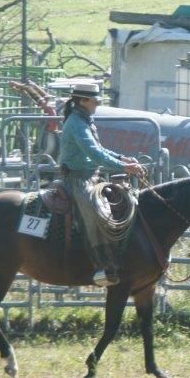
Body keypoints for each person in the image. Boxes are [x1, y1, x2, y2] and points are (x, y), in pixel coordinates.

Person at [58, 82, 144, 287]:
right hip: (77, 179)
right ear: (84, 101)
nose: (98, 102)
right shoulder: (77, 123)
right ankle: (102, 264)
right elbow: (94, 153)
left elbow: (100, 149)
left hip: (89, 176)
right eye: (95, 99)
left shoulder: (83, 120)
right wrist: (124, 167)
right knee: (95, 212)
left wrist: (123, 159)